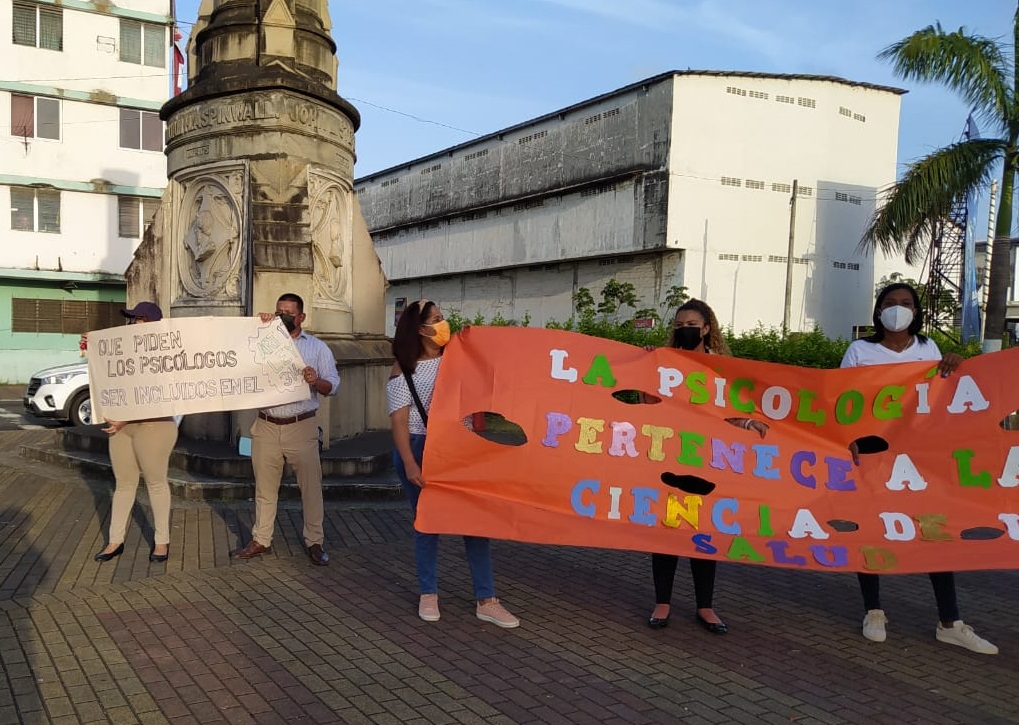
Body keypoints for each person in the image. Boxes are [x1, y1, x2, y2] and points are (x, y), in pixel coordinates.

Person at [841, 282, 997, 654]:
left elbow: (944, 395)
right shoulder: (860, 350)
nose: (898, 309)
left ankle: (950, 621)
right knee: (872, 531)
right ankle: (874, 610)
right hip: (875, 454)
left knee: (933, 531)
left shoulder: (929, 348)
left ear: (916, 310)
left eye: (906, 303)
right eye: (890, 303)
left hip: (919, 458)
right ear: (878, 311)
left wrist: (957, 364)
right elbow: (842, 401)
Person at [388, 299, 519, 627]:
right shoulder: (404, 367)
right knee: (426, 524)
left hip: (459, 449)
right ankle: (428, 593)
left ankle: (487, 599)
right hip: (419, 448)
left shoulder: (457, 359)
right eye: (437, 319)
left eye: (443, 317)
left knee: (474, 522)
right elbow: (399, 422)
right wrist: (409, 463)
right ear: (421, 329)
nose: (444, 323)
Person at [646, 299, 769, 633]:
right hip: (671, 454)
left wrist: (748, 425)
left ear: (706, 328)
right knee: (666, 529)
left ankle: (705, 606)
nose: (685, 330)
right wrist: (644, 367)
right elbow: (648, 403)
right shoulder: (663, 363)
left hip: (708, 459)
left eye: (691, 324)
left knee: (703, 529)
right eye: (679, 325)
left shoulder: (721, 369)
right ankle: (663, 602)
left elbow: (731, 410)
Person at [231, 293, 340, 566]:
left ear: (301, 317)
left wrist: (317, 381)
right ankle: (261, 539)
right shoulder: (262, 339)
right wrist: (258, 327)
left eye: (289, 312)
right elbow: (238, 358)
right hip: (267, 425)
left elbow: (334, 385)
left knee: (310, 489)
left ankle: (314, 541)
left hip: (300, 426)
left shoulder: (316, 348)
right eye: (279, 311)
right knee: (265, 489)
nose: (283, 316)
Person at [93, 302, 178, 564]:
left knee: (155, 482)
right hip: (121, 426)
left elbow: (163, 396)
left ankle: (161, 541)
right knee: (124, 483)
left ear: (153, 323)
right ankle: (115, 540)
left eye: (140, 319)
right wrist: (93, 346)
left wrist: (124, 419)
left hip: (154, 426)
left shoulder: (169, 354)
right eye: (133, 319)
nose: (135, 324)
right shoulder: (123, 350)